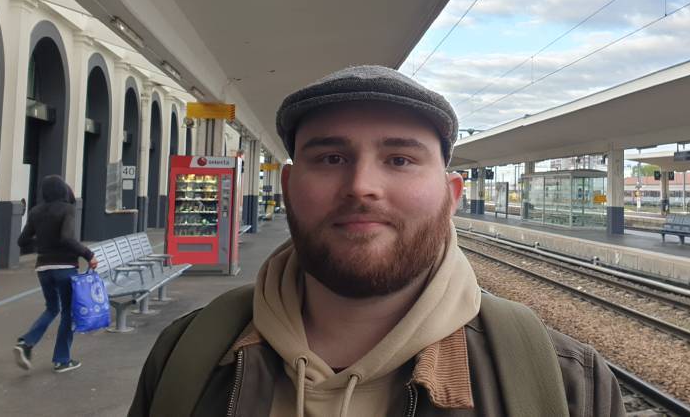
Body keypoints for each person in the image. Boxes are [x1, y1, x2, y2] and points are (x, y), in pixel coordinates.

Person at [129, 65, 625, 416]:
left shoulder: (567, 385)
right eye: (330, 158)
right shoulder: (188, 356)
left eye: (400, 160)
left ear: (451, 195)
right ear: (288, 188)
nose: (362, 186)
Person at [14, 174, 97, 373]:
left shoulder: (35, 211)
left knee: (52, 308)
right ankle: (62, 360)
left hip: (43, 268)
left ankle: (26, 342)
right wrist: (88, 254)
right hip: (65, 268)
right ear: (63, 190)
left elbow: (22, 241)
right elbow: (67, 238)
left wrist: (43, 243)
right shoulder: (67, 209)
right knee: (68, 312)